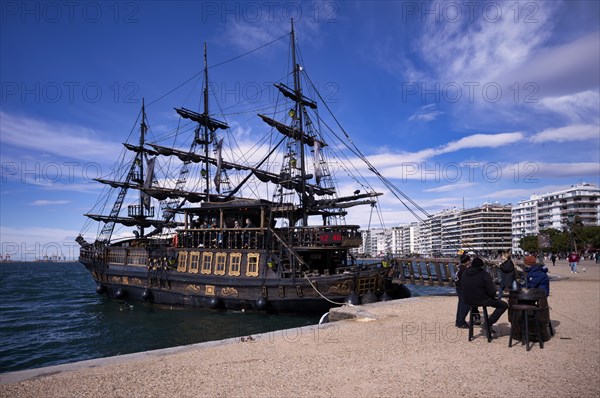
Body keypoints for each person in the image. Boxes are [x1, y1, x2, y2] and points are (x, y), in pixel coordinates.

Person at [462, 257, 508, 335]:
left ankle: (486, 324)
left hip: (467, 299)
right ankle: (488, 323)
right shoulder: (484, 274)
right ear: (481, 266)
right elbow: (492, 292)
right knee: (503, 305)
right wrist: (492, 296)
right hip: (482, 300)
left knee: (487, 301)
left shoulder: (465, 272)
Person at [454, 253, 471, 329]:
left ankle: (458, 321)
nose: (470, 261)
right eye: (469, 260)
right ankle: (461, 322)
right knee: (466, 304)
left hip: (458, 287)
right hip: (462, 288)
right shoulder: (465, 270)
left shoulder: (459, 268)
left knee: (460, 304)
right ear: (466, 261)